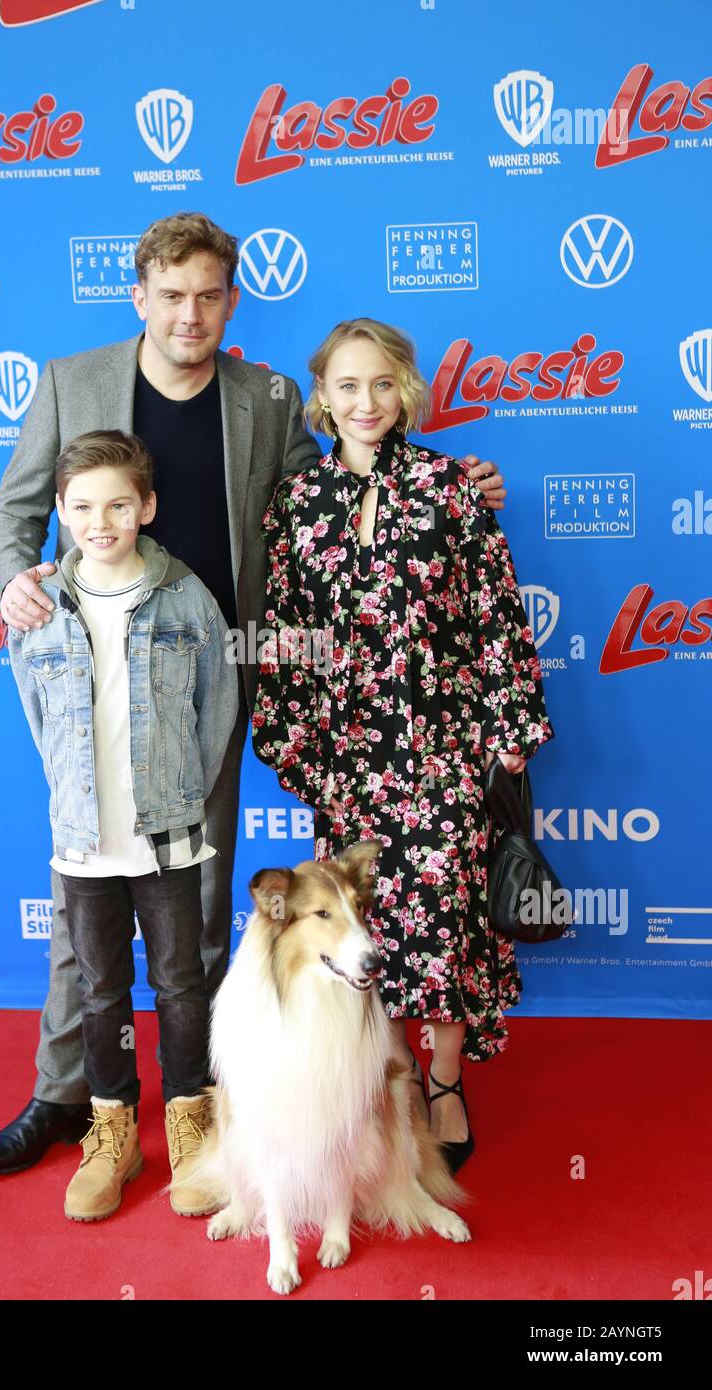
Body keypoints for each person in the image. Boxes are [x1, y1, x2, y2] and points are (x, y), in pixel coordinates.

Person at [0, 210, 508, 1181]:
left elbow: (341, 491)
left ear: (232, 299)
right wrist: (16, 574)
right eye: (171, 295)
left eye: (209, 294)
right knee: (83, 893)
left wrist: (453, 487)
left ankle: (211, 1092)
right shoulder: (70, 381)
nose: (190, 313)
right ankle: (66, 1094)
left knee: (204, 901)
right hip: (90, 672)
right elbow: (15, 512)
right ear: (139, 297)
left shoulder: (261, 396)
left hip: (213, 676)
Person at [251, 318, 554, 1174]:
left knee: (447, 920)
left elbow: (494, 611)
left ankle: (446, 1079)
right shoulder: (297, 505)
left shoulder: (453, 488)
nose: (366, 402)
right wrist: (295, 738)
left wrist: (510, 727)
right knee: (364, 930)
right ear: (322, 397)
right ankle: (386, 1079)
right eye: (347, 386)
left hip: (443, 746)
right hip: (349, 757)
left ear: (407, 390)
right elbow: (286, 630)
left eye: (382, 384)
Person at [8, 429, 239, 1219]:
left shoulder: (185, 596)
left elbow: (218, 707)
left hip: (167, 835)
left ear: (146, 506)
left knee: (181, 983)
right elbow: (40, 717)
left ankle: (191, 1122)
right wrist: (78, 798)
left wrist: (178, 794)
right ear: (62, 515)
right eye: (80, 506)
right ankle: (111, 1136)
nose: (99, 520)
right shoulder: (41, 608)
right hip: (82, 842)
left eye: (117, 503)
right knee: (101, 991)